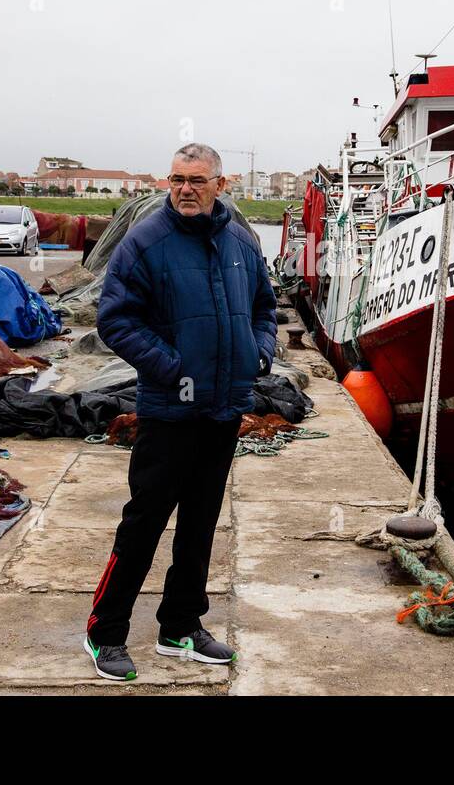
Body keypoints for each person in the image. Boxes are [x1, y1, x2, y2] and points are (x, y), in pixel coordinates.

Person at [83, 143, 277, 680]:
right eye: (176, 179)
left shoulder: (240, 240)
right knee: (143, 524)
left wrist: (260, 353)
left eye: (196, 179)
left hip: (223, 410)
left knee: (201, 524)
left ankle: (180, 627)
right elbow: (116, 320)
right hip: (169, 411)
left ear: (221, 185)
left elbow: (266, 305)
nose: (185, 188)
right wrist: (172, 367)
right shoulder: (146, 242)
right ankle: (105, 632)